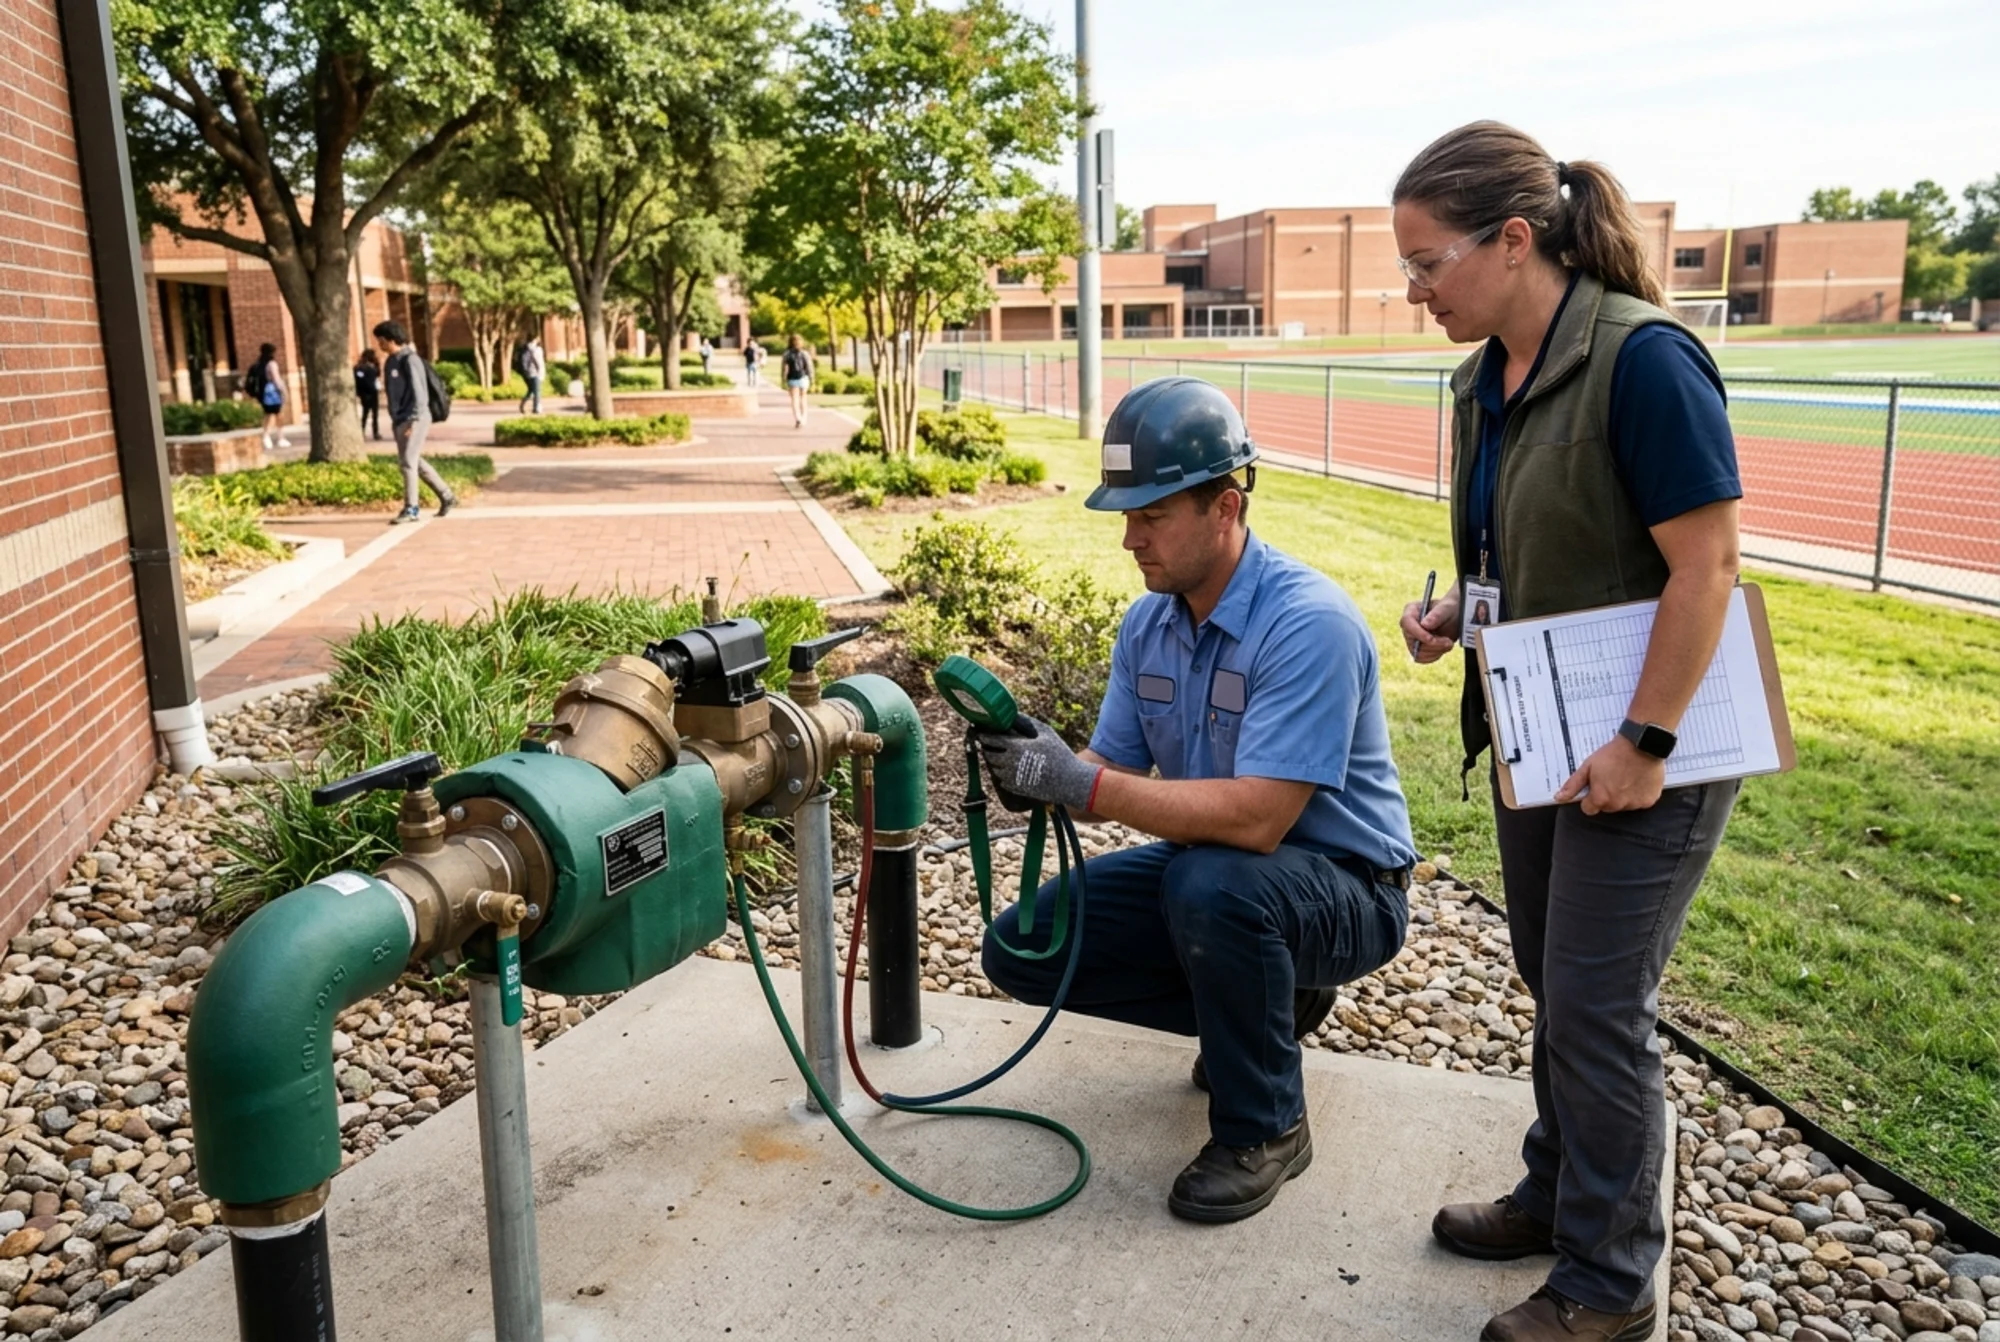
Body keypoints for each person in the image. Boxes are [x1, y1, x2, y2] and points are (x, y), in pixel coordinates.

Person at [1392, 122, 1744, 1342]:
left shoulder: (1645, 362)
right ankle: (1556, 1193)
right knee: (1554, 987)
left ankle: (1607, 1285)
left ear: (1512, 238)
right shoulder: (1480, 374)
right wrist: (1455, 609)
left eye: (1427, 263)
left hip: (1641, 747)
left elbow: (1703, 569)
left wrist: (1645, 742)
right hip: (1539, 731)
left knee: (1597, 1005)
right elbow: (1517, 549)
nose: (1412, 290)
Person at [975, 376, 1417, 1226]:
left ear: (1224, 506)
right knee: (1024, 949)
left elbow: (1259, 822)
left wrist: (1085, 783)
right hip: (1224, 880)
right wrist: (1042, 769)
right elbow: (1106, 773)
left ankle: (1267, 1128)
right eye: (1125, 516)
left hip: (1348, 889)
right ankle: (1266, 1010)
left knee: (1211, 885)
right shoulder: (1152, 622)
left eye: (1151, 515)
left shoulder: (1306, 623)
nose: (1130, 538)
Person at [373, 320, 457, 525]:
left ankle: (411, 508)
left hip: (415, 417)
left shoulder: (410, 360)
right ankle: (447, 495)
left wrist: (413, 421)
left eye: (382, 341)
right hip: (400, 419)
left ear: (392, 339)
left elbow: (420, 394)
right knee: (414, 462)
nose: (379, 345)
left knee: (407, 463)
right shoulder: (391, 362)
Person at [243, 343, 290, 450]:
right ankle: (274, 437)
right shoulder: (271, 364)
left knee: (269, 414)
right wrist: (284, 391)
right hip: (272, 392)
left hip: (262, 393)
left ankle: (270, 436)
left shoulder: (258, 364)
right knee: (277, 414)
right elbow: (276, 379)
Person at [781, 334, 814, 427]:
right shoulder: (805, 353)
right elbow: (809, 367)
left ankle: (798, 418)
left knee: (794, 399)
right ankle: (804, 417)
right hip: (803, 378)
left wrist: (783, 380)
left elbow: (784, 368)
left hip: (792, 378)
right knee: (803, 398)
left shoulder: (787, 354)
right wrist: (812, 379)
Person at [353, 349, 382, 440]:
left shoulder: (367, 367)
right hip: (368, 392)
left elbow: (377, 374)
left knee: (370, 413)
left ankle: (369, 431)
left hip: (368, 392)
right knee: (370, 413)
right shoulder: (361, 368)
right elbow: (360, 379)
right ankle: (372, 432)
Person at [518, 336, 545, 415]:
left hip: (528, 373)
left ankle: (522, 405)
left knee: (531, 391)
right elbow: (537, 361)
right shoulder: (533, 348)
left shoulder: (527, 348)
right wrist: (539, 369)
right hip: (534, 373)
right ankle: (536, 408)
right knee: (537, 392)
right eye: (537, 338)